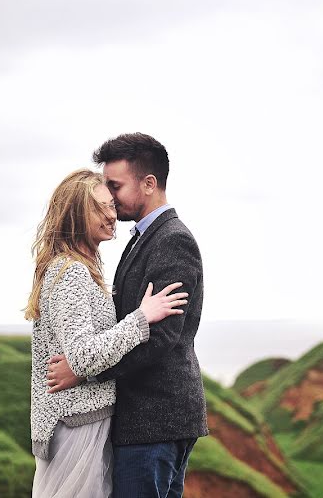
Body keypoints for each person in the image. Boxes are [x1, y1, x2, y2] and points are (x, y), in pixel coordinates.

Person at [46, 133, 208, 498]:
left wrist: (84, 370)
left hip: (154, 420)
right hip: (152, 421)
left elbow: (162, 337)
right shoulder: (142, 238)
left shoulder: (172, 240)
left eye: (115, 186)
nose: (110, 198)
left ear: (149, 184)